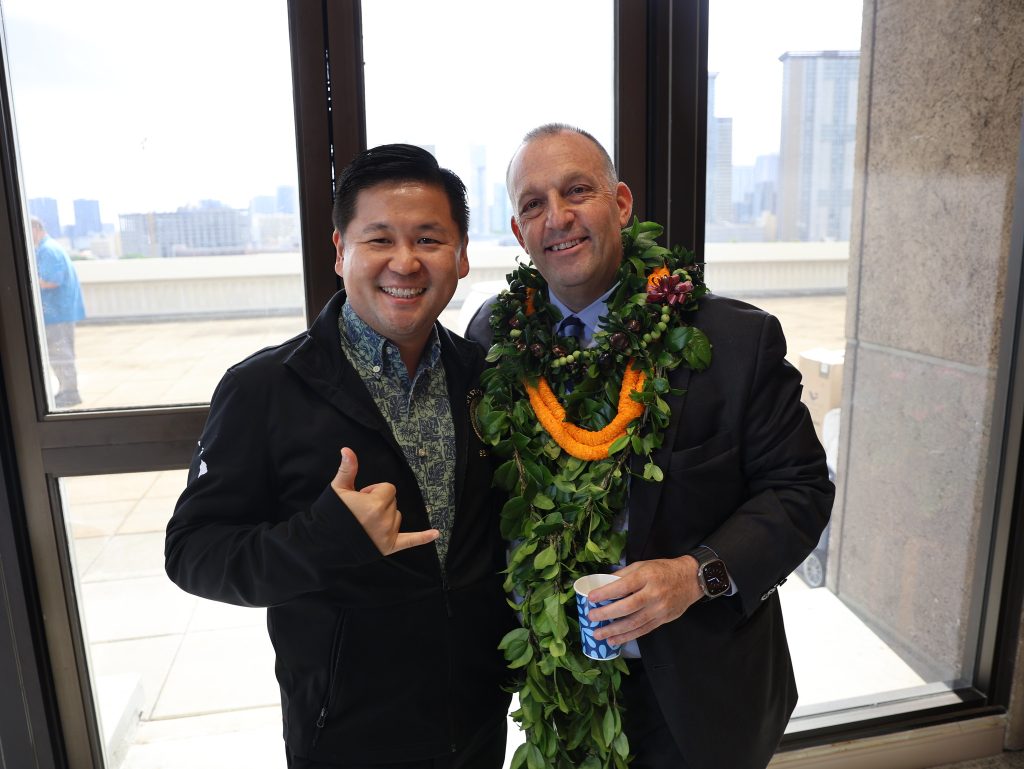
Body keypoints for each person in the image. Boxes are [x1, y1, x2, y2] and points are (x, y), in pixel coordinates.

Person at [466, 124, 834, 769]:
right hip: (556, 686)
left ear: (621, 203)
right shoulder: (495, 335)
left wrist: (695, 575)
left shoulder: (731, 340)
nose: (558, 217)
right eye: (534, 204)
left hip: (697, 692)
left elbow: (800, 490)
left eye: (578, 191)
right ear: (520, 233)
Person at [165, 144, 514, 769]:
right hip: (345, 733)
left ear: (461, 256)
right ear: (339, 251)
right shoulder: (264, 388)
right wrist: (326, 537)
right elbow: (193, 552)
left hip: (478, 719)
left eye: (429, 239)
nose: (404, 262)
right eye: (379, 239)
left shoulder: (484, 377)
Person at [30, 216, 85, 407]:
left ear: (36, 228)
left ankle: (70, 394)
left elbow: (52, 281)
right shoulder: (48, 248)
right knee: (60, 352)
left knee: (60, 353)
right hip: (59, 311)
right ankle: (66, 391)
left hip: (57, 313)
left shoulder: (48, 250)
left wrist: (27, 281)